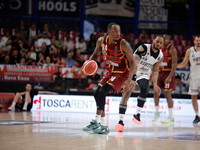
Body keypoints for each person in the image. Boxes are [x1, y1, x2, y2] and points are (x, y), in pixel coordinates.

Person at [82, 22, 136, 134]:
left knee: (102, 92)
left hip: (122, 74)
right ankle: (103, 125)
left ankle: (95, 122)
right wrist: (89, 63)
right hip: (110, 72)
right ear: (108, 32)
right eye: (115, 31)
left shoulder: (124, 44)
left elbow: (133, 63)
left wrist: (130, 80)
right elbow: (96, 55)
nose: (118, 33)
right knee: (96, 93)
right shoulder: (101, 41)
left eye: (119, 31)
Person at [115, 35, 164, 132]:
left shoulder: (160, 55)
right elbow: (134, 62)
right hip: (132, 70)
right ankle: (120, 121)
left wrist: (155, 84)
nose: (158, 44)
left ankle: (137, 114)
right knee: (126, 94)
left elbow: (155, 71)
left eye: (161, 43)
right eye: (157, 41)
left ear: (162, 44)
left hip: (144, 73)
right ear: (153, 40)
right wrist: (132, 79)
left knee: (145, 89)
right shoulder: (144, 48)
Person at [153, 34, 177, 123]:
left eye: (167, 39)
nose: (166, 40)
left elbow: (174, 64)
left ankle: (171, 116)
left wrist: (170, 77)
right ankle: (156, 113)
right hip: (159, 72)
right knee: (156, 92)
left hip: (168, 73)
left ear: (169, 39)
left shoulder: (172, 49)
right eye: (164, 39)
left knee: (167, 94)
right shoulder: (159, 48)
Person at [177, 35, 200, 123]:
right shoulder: (190, 51)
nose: (198, 42)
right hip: (194, 76)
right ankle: (197, 115)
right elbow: (184, 63)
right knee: (193, 96)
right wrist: (174, 66)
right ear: (194, 41)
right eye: (197, 40)